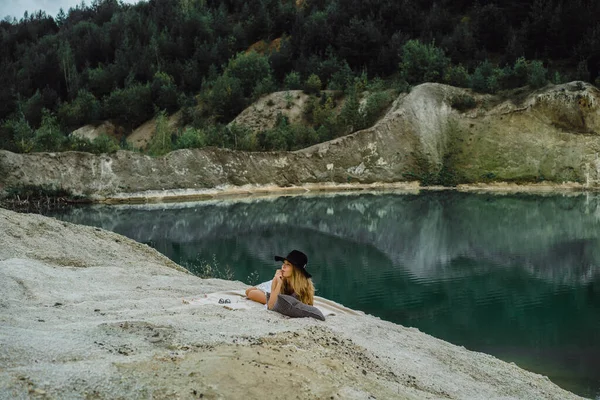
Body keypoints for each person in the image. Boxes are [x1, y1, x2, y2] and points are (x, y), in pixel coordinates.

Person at [245, 250, 315, 309]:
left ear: (296, 270)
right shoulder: (283, 279)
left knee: (251, 293)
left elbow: (271, 306)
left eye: (288, 264)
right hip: (274, 290)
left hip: (277, 296)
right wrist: (277, 281)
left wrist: (278, 284)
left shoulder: (302, 286)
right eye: (284, 263)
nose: (283, 266)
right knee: (248, 291)